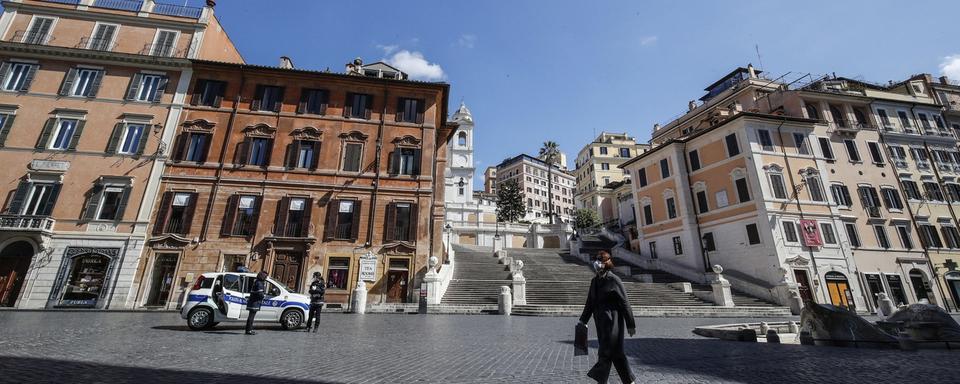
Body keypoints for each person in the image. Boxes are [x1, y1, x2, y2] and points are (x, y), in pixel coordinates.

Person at [579, 250, 636, 384]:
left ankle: (601, 380)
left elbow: (624, 302)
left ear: (607, 263)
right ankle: (629, 381)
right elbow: (589, 303)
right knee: (616, 354)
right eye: (596, 260)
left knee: (605, 352)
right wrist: (583, 320)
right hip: (600, 322)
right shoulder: (594, 281)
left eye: (600, 260)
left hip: (613, 321)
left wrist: (630, 324)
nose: (597, 263)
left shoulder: (614, 279)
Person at [244, 271, 267, 335]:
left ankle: (249, 329)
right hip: (255, 302)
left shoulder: (257, 282)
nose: (266, 278)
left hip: (253, 301)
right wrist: (263, 296)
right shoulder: (259, 283)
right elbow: (260, 293)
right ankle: (249, 330)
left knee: (251, 317)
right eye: (265, 276)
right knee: (251, 317)